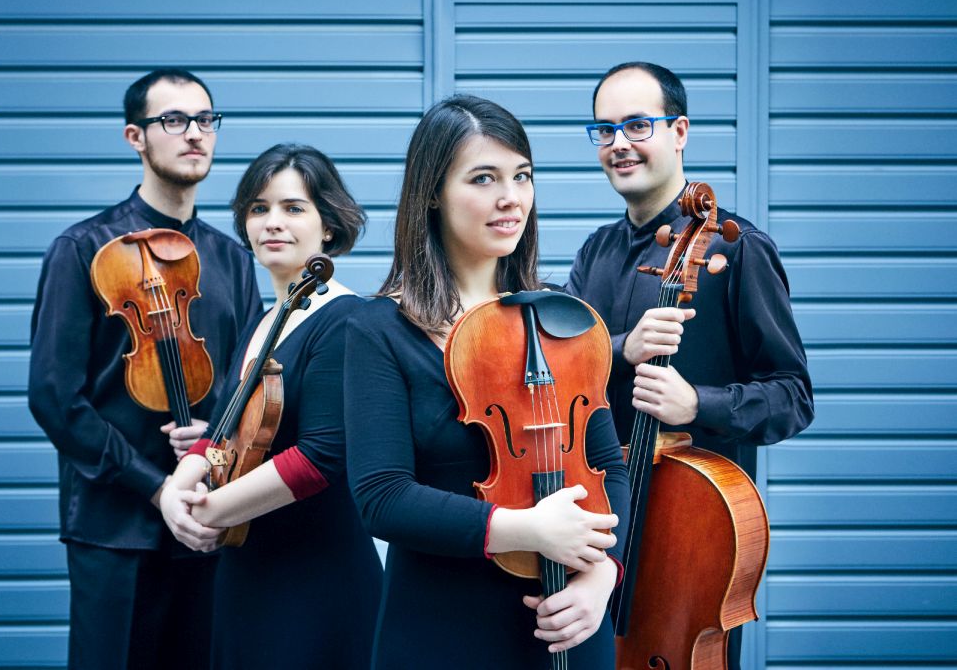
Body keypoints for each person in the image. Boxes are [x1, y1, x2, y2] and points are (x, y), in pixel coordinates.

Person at [344, 95, 630, 669]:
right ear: (432, 193)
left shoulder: (563, 319)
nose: (511, 198)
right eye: (483, 178)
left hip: (570, 621)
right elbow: (382, 498)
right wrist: (528, 529)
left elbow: (610, 470)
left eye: (522, 176)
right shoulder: (378, 330)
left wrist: (604, 573)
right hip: (442, 628)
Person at [566, 61, 815, 668]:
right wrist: (621, 346)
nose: (619, 144)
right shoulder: (594, 252)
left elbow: (792, 395)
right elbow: (560, 371)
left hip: (688, 550)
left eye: (637, 125)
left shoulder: (737, 248)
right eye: (605, 130)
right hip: (596, 532)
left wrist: (696, 404)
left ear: (679, 131)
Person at [27, 69, 261, 670]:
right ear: (136, 136)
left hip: (211, 521)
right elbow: (55, 397)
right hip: (116, 527)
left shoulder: (233, 261)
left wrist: (212, 441)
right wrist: (154, 486)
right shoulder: (84, 249)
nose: (195, 134)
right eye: (174, 120)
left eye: (206, 120)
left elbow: (249, 385)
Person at [158, 143, 382, 670]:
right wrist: (174, 490)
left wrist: (207, 512)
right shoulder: (265, 320)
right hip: (247, 570)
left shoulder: (346, 319)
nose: (271, 223)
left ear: (329, 226)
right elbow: (224, 428)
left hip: (316, 581)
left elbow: (322, 456)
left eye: (293, 208)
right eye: (258, 209)